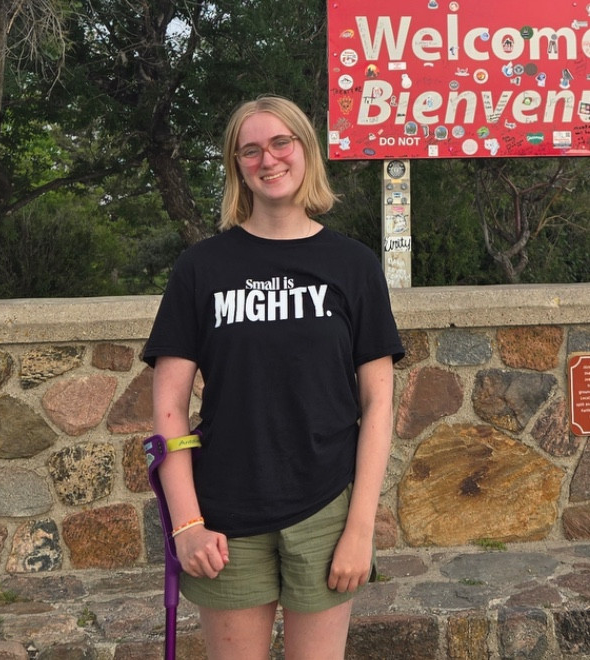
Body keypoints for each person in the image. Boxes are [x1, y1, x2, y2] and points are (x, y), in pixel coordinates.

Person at [143, 95, 404, 659]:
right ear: (238, 166)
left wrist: (360, 528)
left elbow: (378, 404)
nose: (269, 159)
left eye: (281, 142)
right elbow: (168, 406)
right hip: (224, 514)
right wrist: (186, 523)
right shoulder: (200, 268)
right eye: (251, 150)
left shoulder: (353, 265)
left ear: (305, 149)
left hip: (326, 508)